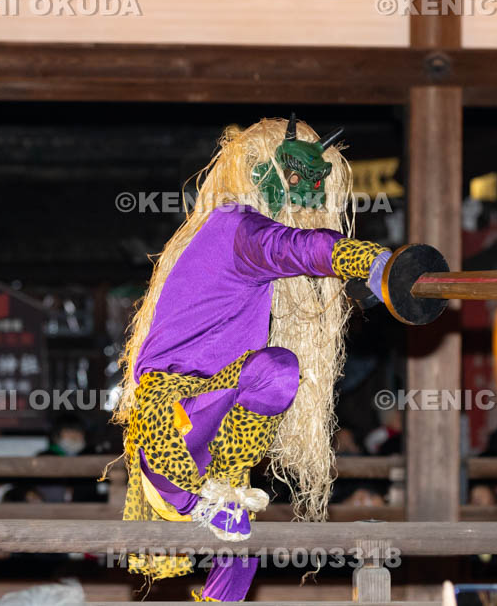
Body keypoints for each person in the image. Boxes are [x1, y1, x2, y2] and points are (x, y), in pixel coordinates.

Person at [113, 116, 393, 602]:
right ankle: (197, 500)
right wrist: (371, 262)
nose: (305, 193)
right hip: (174, 416)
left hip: (220, 414)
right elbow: (295, 247)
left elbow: (295, 259)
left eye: (315, 180)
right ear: (260, 172)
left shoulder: (236, 236)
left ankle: (223, 499)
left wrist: (359, 287)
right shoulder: (234, 227)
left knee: (277, 369)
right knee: (176, 414)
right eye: (294, 177)